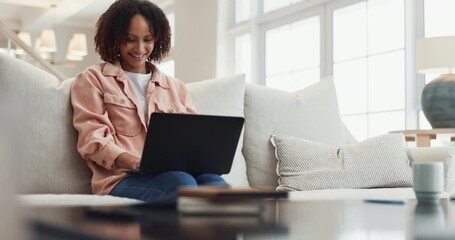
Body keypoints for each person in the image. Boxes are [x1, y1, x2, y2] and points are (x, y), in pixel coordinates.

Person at [71, 0, 227, 203]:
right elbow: (92, 140)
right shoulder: (92, 79)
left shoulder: (175, 87)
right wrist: (136, 162)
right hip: (121, 179)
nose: (140, 48)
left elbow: (194, 140)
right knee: (181, 183)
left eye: (148, 39)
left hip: (174, 172)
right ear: (115, 38)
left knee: (216, 183)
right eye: (130, 39)